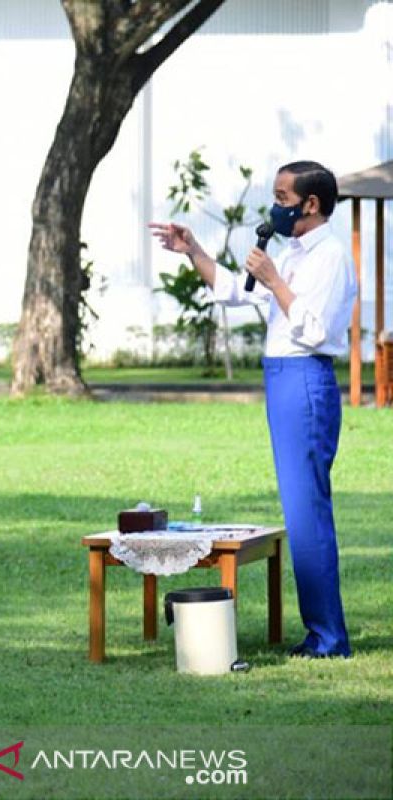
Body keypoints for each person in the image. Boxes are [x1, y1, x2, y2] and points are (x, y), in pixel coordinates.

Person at [150, 160, 356, 659]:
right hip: (282, 379)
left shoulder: (329, 255)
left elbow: (315, 328)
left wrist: (273, 280)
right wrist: (194, 250)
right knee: (299, 509)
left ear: (312, 204)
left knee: (308, 514)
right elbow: (232, 293)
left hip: (305, 378)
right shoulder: (290, 251)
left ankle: (328, 639)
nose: (275, 207)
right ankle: (320, 633)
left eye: (284, 198)